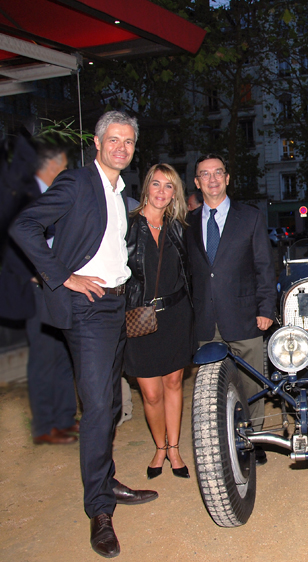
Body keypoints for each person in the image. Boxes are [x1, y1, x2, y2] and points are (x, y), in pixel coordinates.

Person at [10, 111, 158, 559]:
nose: (121, 148)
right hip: (88, 306)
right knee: (96, 407)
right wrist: (62, 276)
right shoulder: (77, 183)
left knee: (110, 402)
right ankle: (99, 509)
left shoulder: (120, 194)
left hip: (114, 306)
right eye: (113, 140)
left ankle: (105, 477)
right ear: (96, 143)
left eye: (128, 142)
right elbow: (23, 226)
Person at [186, 153, 276, 464]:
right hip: (205, 322)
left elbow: (265, 267)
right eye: (204, 174)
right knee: (211, 391)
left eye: (218, 173)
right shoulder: (187, 223)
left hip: (245, 317)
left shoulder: (249, 217)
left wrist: (267, 308)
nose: (212, 179)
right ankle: (221, 438)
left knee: (253, 385)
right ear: (197, 183)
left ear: (227, 178)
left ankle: (255, 439)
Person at [0, 138, 78, 445]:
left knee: (61, 354)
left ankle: (64, 419)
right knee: (44, 358)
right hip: (37, 289)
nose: (66, 169)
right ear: (52, 165)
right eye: (63, 165)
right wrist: (34, 276)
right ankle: (45, 426)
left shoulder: (49, 195)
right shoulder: (23, 197)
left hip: (57, 284)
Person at [124, 163, 193, 479]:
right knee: (150, 393)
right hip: (140, 317)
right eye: (156, 184)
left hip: (176, 315)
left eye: (169, 186)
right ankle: (159, 446)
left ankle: (174, 448)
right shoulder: (126, 227)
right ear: (146, 188)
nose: (162, 191)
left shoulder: (179, 228)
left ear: (174, 193)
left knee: (174, 383)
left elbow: (192, 273)